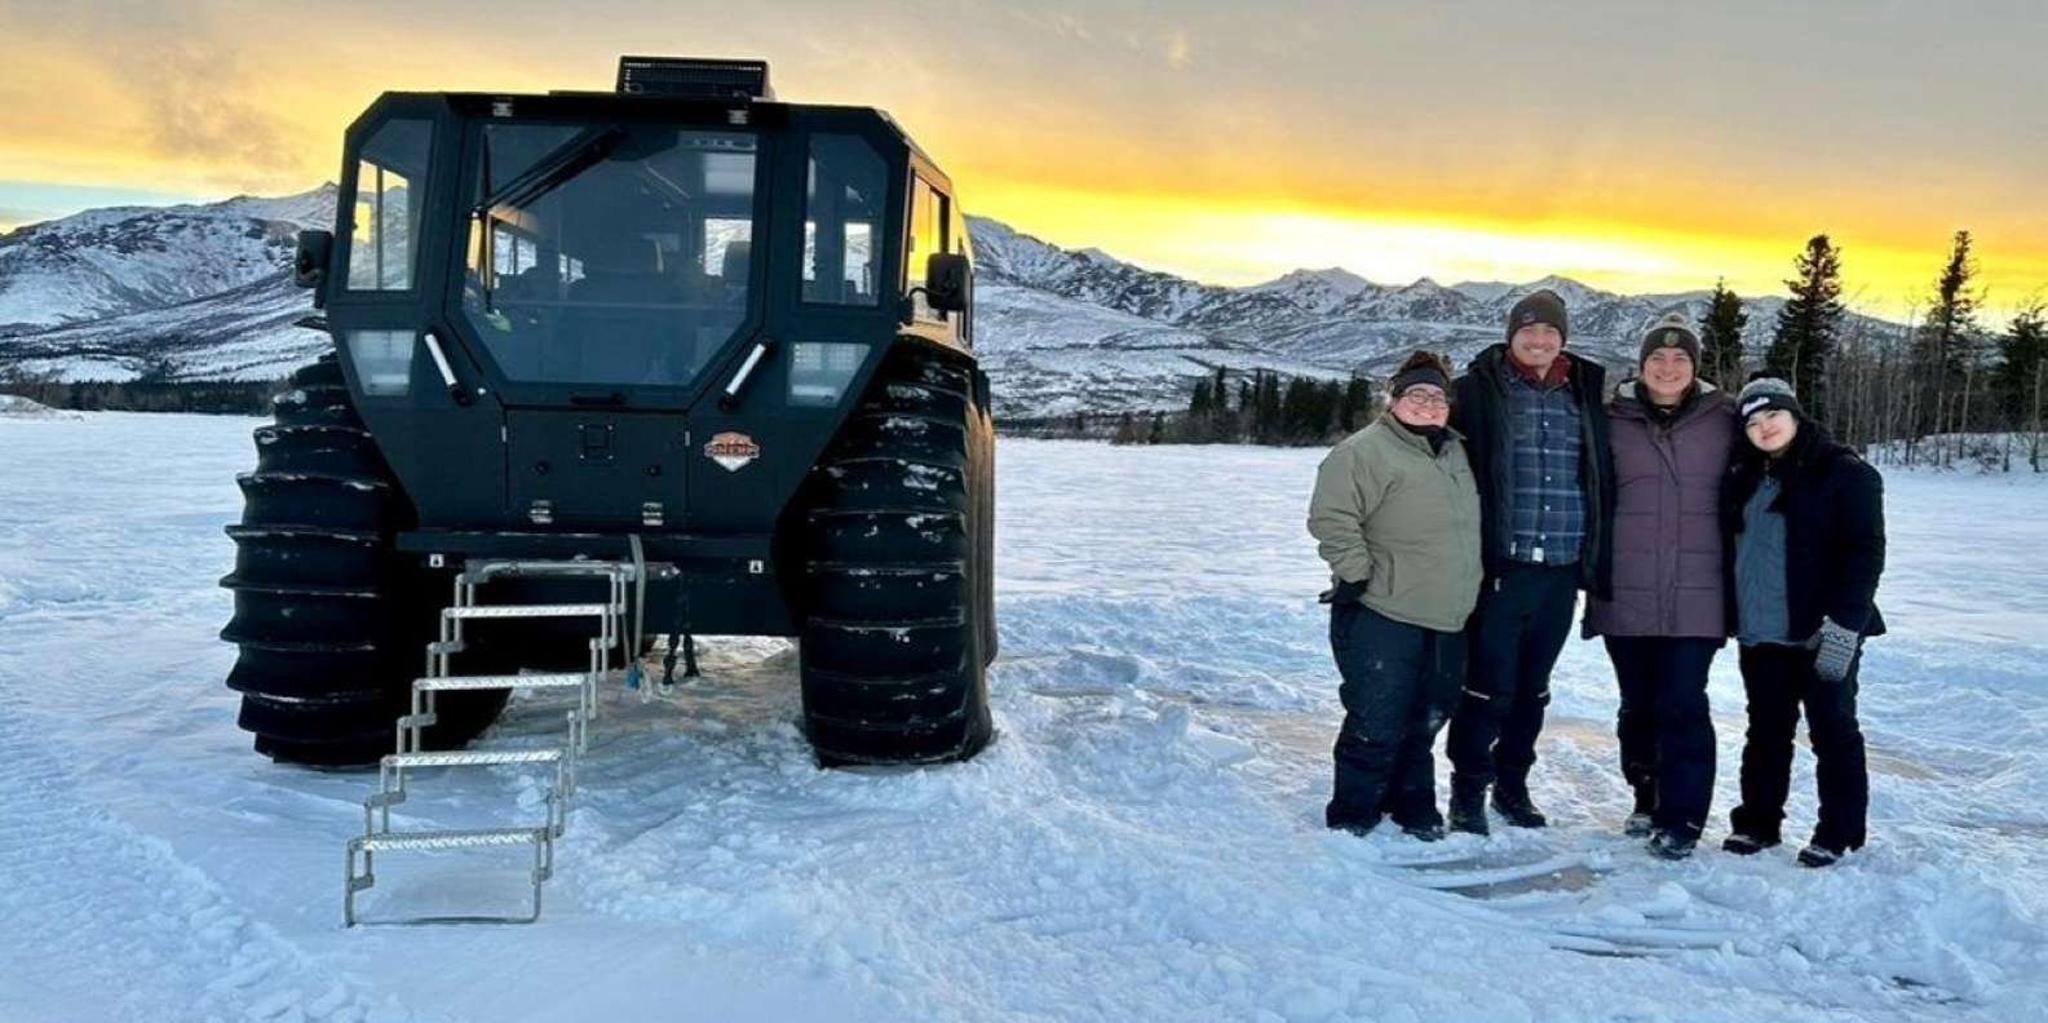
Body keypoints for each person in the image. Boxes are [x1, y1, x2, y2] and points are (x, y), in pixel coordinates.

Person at [1444, 289, 1615, 835]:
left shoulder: (1584, 393)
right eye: (1528, 331)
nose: (1538, 341)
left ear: (1563, 338)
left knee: (1533, 687)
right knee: (1486, 685)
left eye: (1549, 332)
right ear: (1511, 334)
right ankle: (1468, 790)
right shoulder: (1477, 391)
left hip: (1561, 567)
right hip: (1503, 565)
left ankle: (1512, 785)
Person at [1308, 351, 1483, 841]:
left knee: (1426, 718)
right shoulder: (1363, 452)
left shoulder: (1454, 451)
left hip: (1446, 613)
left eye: (1436, 397)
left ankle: (1413, 806)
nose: (1428, 405)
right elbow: (1331, 518)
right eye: (1416, 395)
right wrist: (1359, 574)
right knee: (1377, 716)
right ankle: (1354, 815)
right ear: (1394, 400)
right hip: (1384, 610)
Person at [1582, 313, 1738, 859]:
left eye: (1680, 359)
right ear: (1641, 366)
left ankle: (1683, 818)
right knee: (1637, 706)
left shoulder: (1726, 419)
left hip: (1701, 592)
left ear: (1695, 368)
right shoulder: (1609, 419)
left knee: (1683, 703)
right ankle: (1646, 798)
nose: (1668, 368)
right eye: (1657, 359)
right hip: (1625, 589)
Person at [1721, 377, 1886, 867]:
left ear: (1795, 415)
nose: (1764, 427)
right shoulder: (1744, 475)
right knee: (1766, 730)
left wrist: (1846, 623)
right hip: (1762, 630)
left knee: (1832, 730)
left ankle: (1839, 831)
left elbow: (1865, 552)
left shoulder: (1844, 472)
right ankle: (1758, 823)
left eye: (1772, 415)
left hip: (1823, 631)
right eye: (1752, 421)